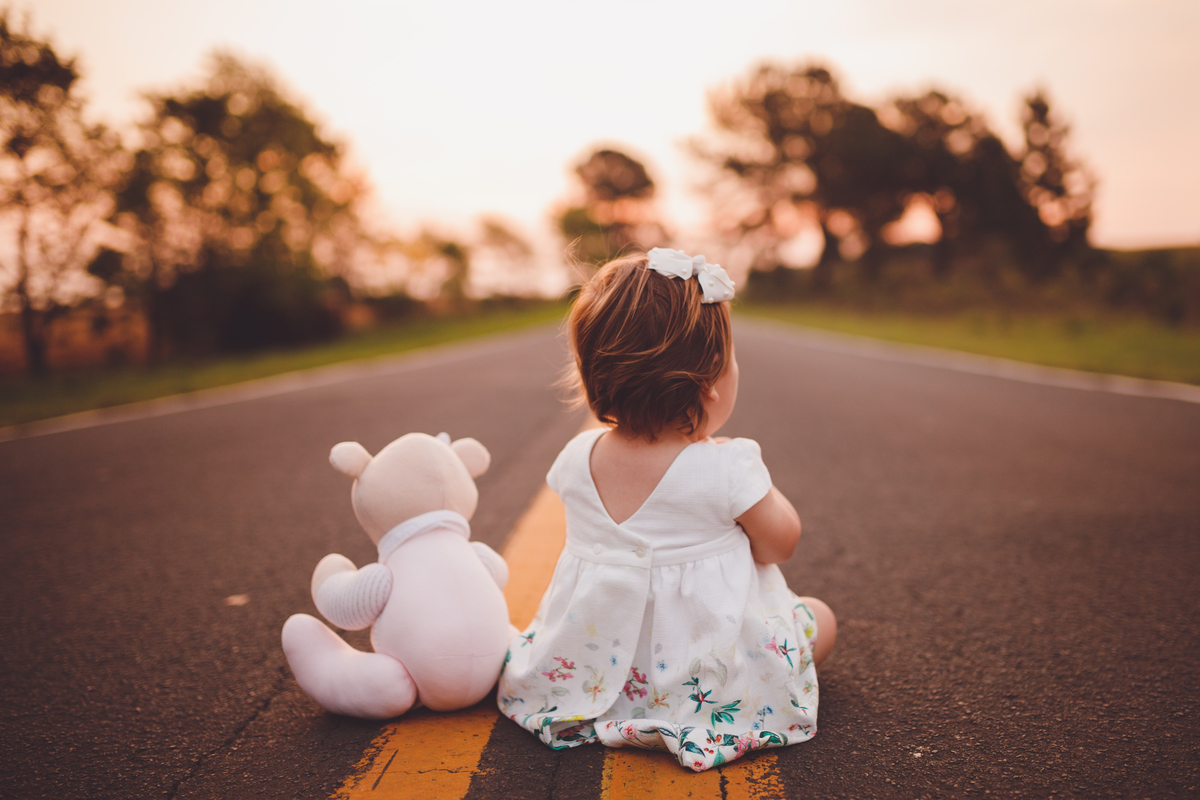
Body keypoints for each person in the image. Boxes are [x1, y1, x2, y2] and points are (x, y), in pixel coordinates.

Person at [497, 248, 837, 772]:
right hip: (703, 679)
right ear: (709, 386)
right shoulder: (728, 467)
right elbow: (780, 543)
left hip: (597, 670)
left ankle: (617, 699)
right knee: (820, 619)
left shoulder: (574, 459)